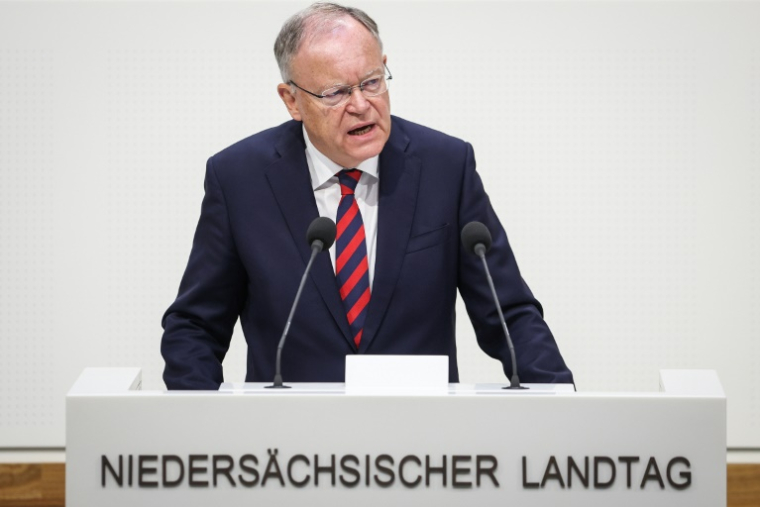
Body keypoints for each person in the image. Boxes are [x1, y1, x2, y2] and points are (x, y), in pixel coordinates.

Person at [161, 2, 573, 390]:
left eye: (372, 82)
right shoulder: (239, 179)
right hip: (287, 450)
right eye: (336, 92)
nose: (361, 105)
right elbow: (195, 326)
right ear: (292, 101)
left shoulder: (445, 166)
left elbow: (509, 314)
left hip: (421, 447)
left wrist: (565, 405)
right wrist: (199, 423)